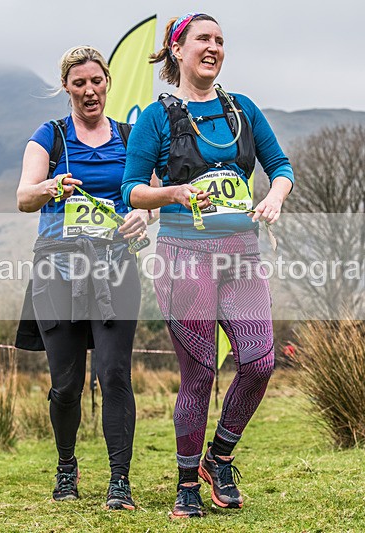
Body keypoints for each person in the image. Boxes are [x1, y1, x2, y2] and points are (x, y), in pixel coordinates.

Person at [121, 13, 294, 519]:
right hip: (182, 254)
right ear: (178, 50)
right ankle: (185, 486)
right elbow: (131, 187)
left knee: (260, 362)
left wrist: (275, 197)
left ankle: (219, 458)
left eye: (220, 40)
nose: (214, 47)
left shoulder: (243, 110)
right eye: (203, 39)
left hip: (241, 252)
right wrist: (170, 191)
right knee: (198, 373)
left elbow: (279, 166)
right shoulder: (157, 118)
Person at [16, 45, 151, 511]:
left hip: (115, 266)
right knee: (66, 383)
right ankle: (67, 467)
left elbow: (144, 198)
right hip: (57, 268)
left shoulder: (131, 137)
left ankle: (119, 481)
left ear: (107, 82)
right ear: (66, 88)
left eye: (96, 81)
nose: (89, 91)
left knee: (114, 375)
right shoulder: (49, 136)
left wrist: (141, 218)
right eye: (79, 84)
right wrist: (50, 186)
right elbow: (23, 197)